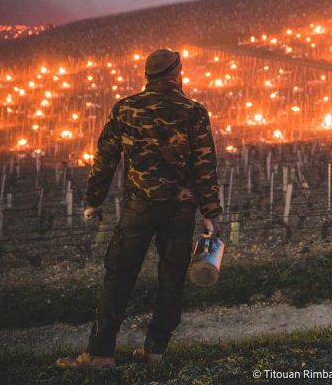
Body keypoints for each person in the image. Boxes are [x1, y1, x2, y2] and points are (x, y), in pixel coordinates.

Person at [57, 48, 222, 369]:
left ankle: (101, 353)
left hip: (140, 206)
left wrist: (94, 200)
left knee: (118, 275)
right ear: (178, 74)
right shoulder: (194, 111)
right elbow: (205, 166)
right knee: (172, 277)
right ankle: (155, 351)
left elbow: (105, 159)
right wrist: (210, 213)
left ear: (147, 76)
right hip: (180, 210)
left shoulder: (126, 108)